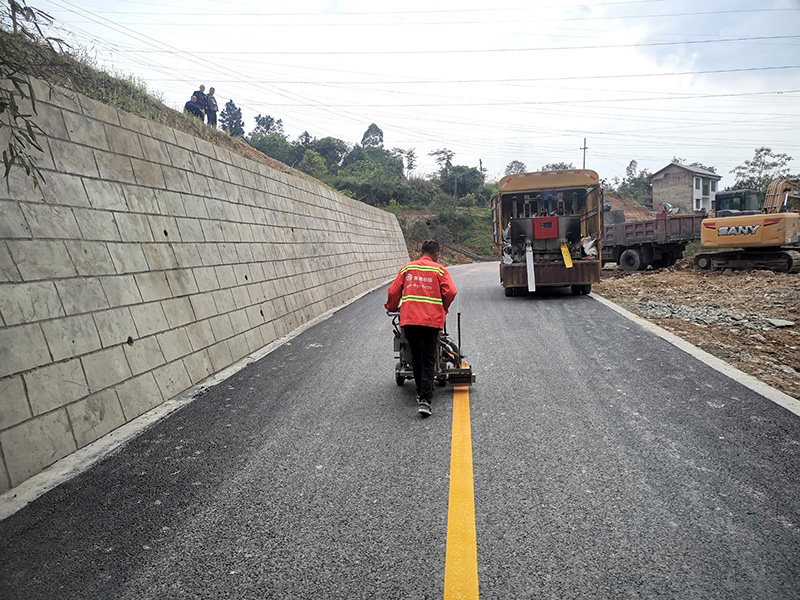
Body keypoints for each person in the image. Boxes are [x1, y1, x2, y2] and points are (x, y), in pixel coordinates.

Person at [385, 240, 457, 417]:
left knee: (416, 358)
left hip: (410, 321)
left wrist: (393, 307)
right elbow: (451, 292)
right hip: (431, 322)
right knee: (428, 359)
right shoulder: (440, 270)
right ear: (437, 254)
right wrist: (443, 307)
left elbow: (393, 292)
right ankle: (425, 400)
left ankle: (420, 394)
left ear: (420, 254)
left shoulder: (407, 269)